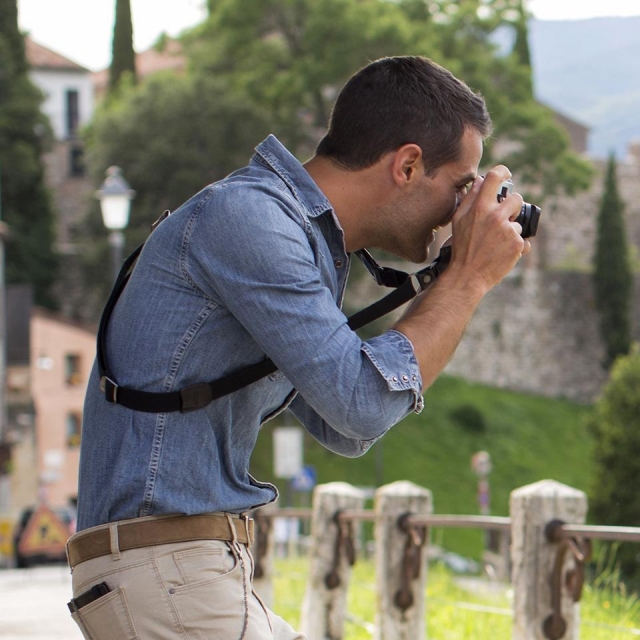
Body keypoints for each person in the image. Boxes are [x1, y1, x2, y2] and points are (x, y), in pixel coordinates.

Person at [66, 55, 529, 639]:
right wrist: (467, 278)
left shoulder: (295, 237)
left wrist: (460, 277)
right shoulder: (252, 220)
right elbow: (361, 403)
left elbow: (348, 429)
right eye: (462, 185)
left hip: (184, 570)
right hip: (165, 569)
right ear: (408, 164)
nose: (462, 209)